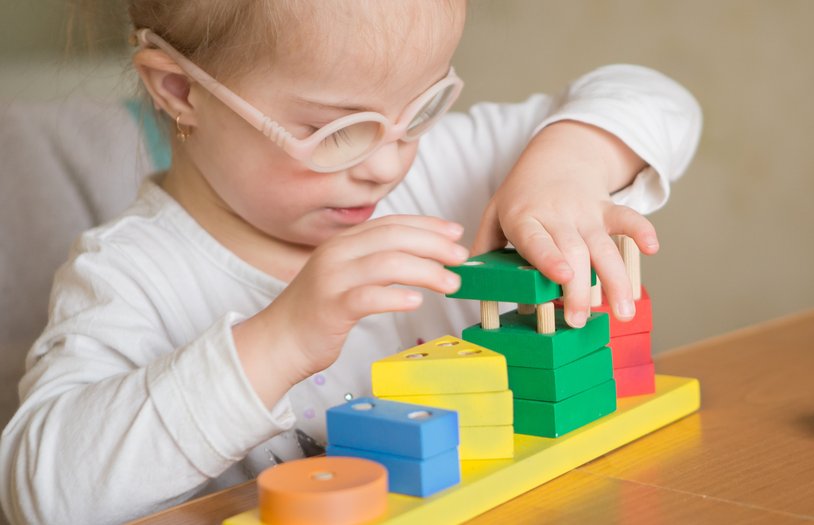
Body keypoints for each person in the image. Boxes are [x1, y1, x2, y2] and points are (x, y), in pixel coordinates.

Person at [0, 1, 701, 523]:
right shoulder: (131, 275)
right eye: (336, 131)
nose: (390, 163)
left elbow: (652, 96)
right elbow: (39, 493)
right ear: (181, 93)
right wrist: (280, 339)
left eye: (421, 106)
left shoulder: (443, 170)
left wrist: (566, 167)